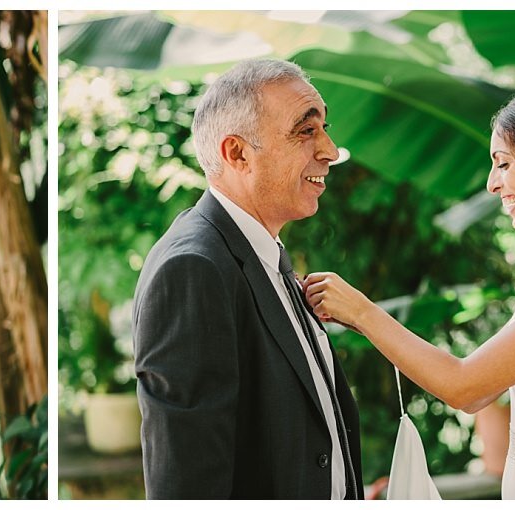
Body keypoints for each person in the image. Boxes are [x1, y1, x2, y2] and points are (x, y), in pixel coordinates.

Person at [304, 82, 515, 499]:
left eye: (503, 164)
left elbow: (468, 388)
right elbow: (487, 382)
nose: (491, 185)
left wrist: (363, 313)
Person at [132, 58, 362, 499]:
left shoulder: (263, 254)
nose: (330, 150)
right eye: (306, 131)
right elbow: (189, 485)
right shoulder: (192, 270)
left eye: (324, 128)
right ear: (237, 153)